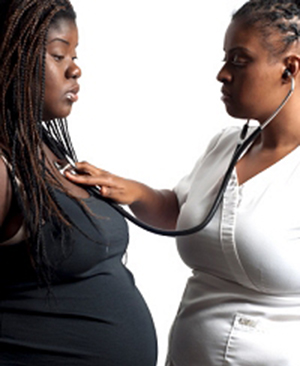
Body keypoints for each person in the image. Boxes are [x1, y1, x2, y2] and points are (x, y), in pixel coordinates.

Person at [66, 0, 300, 364]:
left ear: (290, 68)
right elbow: (183, 214)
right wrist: (130, 190)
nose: (222, 74)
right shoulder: (226, 144)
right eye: (225, 59)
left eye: (239, 60)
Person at [0, 1, 157, 365]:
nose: (75, 69)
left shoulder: (47, 149)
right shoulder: (4, 167)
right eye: (58, 55)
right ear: (11, 58)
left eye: (74, 54)